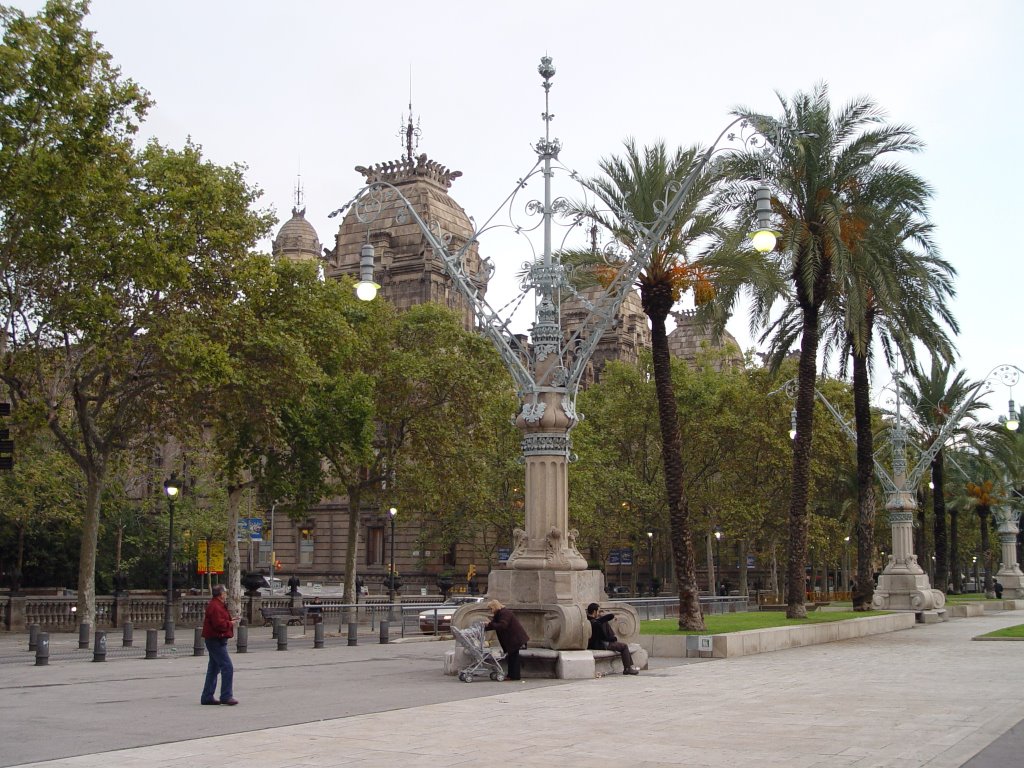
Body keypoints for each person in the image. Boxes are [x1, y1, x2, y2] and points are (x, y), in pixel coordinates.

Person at [201, 584, 239, 705]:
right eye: (225, 593)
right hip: (216, 639)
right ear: (221, 594)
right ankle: (226, 696)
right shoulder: (216, 606)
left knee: (213, 668)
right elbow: (219, 624)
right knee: (227, 667)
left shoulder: (216, 605)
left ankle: (207, 696)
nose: (226, 594)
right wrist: (230, 623)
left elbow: (219, 621)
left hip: (214, 638)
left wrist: (229, 620)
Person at [587, 602, 639, 675]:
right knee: (624, 646)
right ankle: (627, 668)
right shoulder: (596, 623)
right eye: (598, 611)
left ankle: (630, 667)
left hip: (597, 643)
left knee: (605, 622)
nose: (599, 613)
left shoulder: (589, 620)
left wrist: (604, 616)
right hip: (601, 644)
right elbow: (603, 637)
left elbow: (608, 617)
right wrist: (613, 639)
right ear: (594, 611)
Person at [484, 599, 529, 681]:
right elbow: (494, 625)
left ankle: (514, 676)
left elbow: (502, 625)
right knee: (511, 657)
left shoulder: (504, 613)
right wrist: (485, 627)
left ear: (494, 607)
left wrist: (489, 624)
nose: (490, 611)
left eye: (490, 608)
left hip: (515, 639)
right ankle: (512, 675)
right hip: (512, 639)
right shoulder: (498, 614)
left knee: (513, 657)